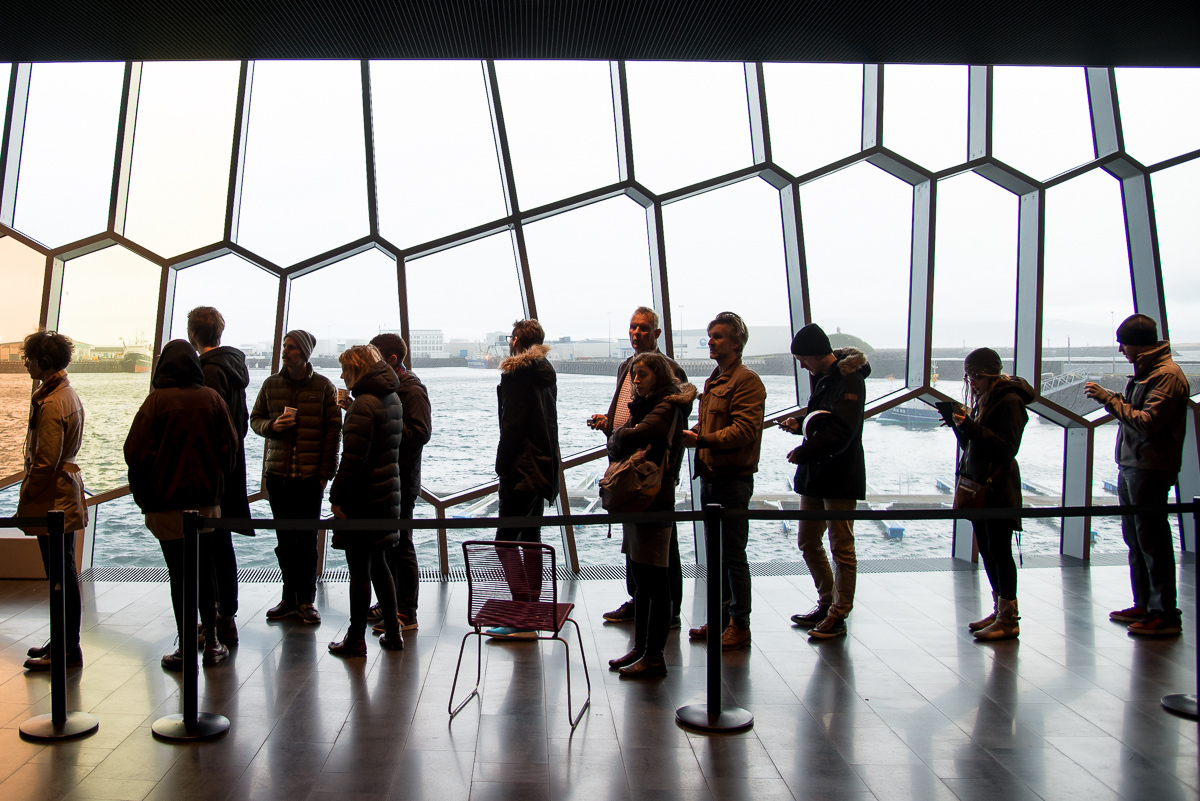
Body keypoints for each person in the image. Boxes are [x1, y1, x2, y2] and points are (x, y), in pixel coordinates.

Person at [125, 339, 238, 670]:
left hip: (166, 506)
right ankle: (214, 642)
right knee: (206, 571)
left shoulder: (156, 402)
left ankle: (187, 644)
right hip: (206, 505)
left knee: (179, 575)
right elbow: (229, 448)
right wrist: (215, 484)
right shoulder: (212, 399)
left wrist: (144, 495)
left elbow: (134, 453)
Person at [1085, 314, 1190, 636]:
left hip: (1150, 467)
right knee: (1137, 540)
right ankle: (1145, 604)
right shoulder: (1151, 373)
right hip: (1135, 465)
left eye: (1124, 343)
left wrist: (1109, 399)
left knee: (1152, 542)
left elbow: (1147, 422)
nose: (1121, 350)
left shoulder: (1167, 377)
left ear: (1138, 345)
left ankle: (1165, 614)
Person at [589, 306, 688, 627]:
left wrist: (666, 469)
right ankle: (639, 601)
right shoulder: (625, 366)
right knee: (634, 542)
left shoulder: (670, 370)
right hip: (626, 462)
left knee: (661, 545)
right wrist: (610, 425)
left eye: (644, 329)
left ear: (657, 333)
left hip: (653, 469)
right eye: (633, 328)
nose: (636, 334)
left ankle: (668, 608)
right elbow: (630, 412)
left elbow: (668, 423)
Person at [606, 352, 696, 677]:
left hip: (655, 498)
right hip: (641, 499)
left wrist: (619, 436)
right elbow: (623, 437)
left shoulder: (666, 407)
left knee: (656, 579)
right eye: (634, 375)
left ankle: (654, 655)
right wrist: (621, 437)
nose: (635, 381)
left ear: (658, 375)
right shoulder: (646, 406)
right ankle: (641, 647)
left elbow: (632, 436)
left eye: (641, 375)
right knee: (643, 579)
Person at [681, 311, 766, 651]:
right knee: (717, 556)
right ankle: (720, 621)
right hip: (712, 476)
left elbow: (745, 430)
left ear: (736, 341)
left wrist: (701, 440)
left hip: (733, 479)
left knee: (733, 556)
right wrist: (699, 432)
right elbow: (714, 423)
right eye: (710, 335)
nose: (711, 341)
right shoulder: (715, 380)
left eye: (717, 336)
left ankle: (740, 625)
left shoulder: (747, 381)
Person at [783, 323, 870, 640]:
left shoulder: (850, 380)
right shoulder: (825, 379)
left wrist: (805, 451)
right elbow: (823, 420)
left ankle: (838, 612)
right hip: (818, 475)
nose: (802, 365)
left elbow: (841, 432)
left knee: (841, 547)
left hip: (839, 476)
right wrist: (799, 426)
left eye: (802, 359)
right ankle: (826, 602)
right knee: (808, 541)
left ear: (814, 354)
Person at [250, 329, 342, 624]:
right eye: (285, 347)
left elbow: (333, 434)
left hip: (309, 478)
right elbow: (254, 419)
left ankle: (307, 600)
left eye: (290, 348)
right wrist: (272, 426)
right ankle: (289, 597)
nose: (284, 352)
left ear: (303, 353)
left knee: (306, 541)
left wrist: (325, 475)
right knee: (284, 541)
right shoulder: (271, 384)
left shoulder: (324, 387)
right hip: (278, 475)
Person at [948, 348, 1034, 641]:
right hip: (982, 485)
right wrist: (958, 425)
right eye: (970, 377)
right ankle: (1000, 609)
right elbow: (974, 446)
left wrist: (968, 425)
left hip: (998, 488)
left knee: (999, 551)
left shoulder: (1009, 401)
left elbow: (1007, 448)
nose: (972, 383)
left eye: (976, 377)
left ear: (990, 376)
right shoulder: (987, 398)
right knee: (987, 549)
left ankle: (1008, 618)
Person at [327, 345, 406, 656]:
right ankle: (393, 631)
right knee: (381, 566)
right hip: (387, 496)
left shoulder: (364, 404)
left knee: (359, 570)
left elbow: (353, 460)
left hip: (363, 499)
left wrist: (336, 497)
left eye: (346, 369)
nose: (343, 375)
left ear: (357, 369)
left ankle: (356, 638)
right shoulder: (392, 398)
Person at [17, 330, 87, 672]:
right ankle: (62, 640)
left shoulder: (53, 401)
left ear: (44, 361)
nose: (26, 363)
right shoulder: (65, 394)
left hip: (52, 498)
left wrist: (29, 491)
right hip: (64, 493)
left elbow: (45, 460)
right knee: (64, 572)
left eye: (28, 357)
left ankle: (65, 647)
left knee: (60, 575)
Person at [486, 319, 561, 639]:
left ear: (516, 340)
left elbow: (512, 425)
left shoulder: (516, 373)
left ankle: (523, 615)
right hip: (543, 466)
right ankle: (530, 614)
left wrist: (502, 465)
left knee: (504, 542)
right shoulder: (545, 373)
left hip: (521, 468)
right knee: (530, 540)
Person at [188, 306, 252, 646]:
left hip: (210, 472)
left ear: (193, 334)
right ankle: (226, 616)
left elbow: (209, 428)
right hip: (231, 467)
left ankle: (216, 619)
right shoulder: (233, 369)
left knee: (210, 546)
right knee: (221, 543)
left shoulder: (208, 373)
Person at [367, 333, 431, 634]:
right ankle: (389, 602)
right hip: (385, 475)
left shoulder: (412, 390)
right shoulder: (389, 387)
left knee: (401, 544)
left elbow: (420, 432)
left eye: (375, 356)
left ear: (391, 359)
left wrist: (383, 421)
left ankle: (407, 611)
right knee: (385, 544)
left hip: (402, 479)